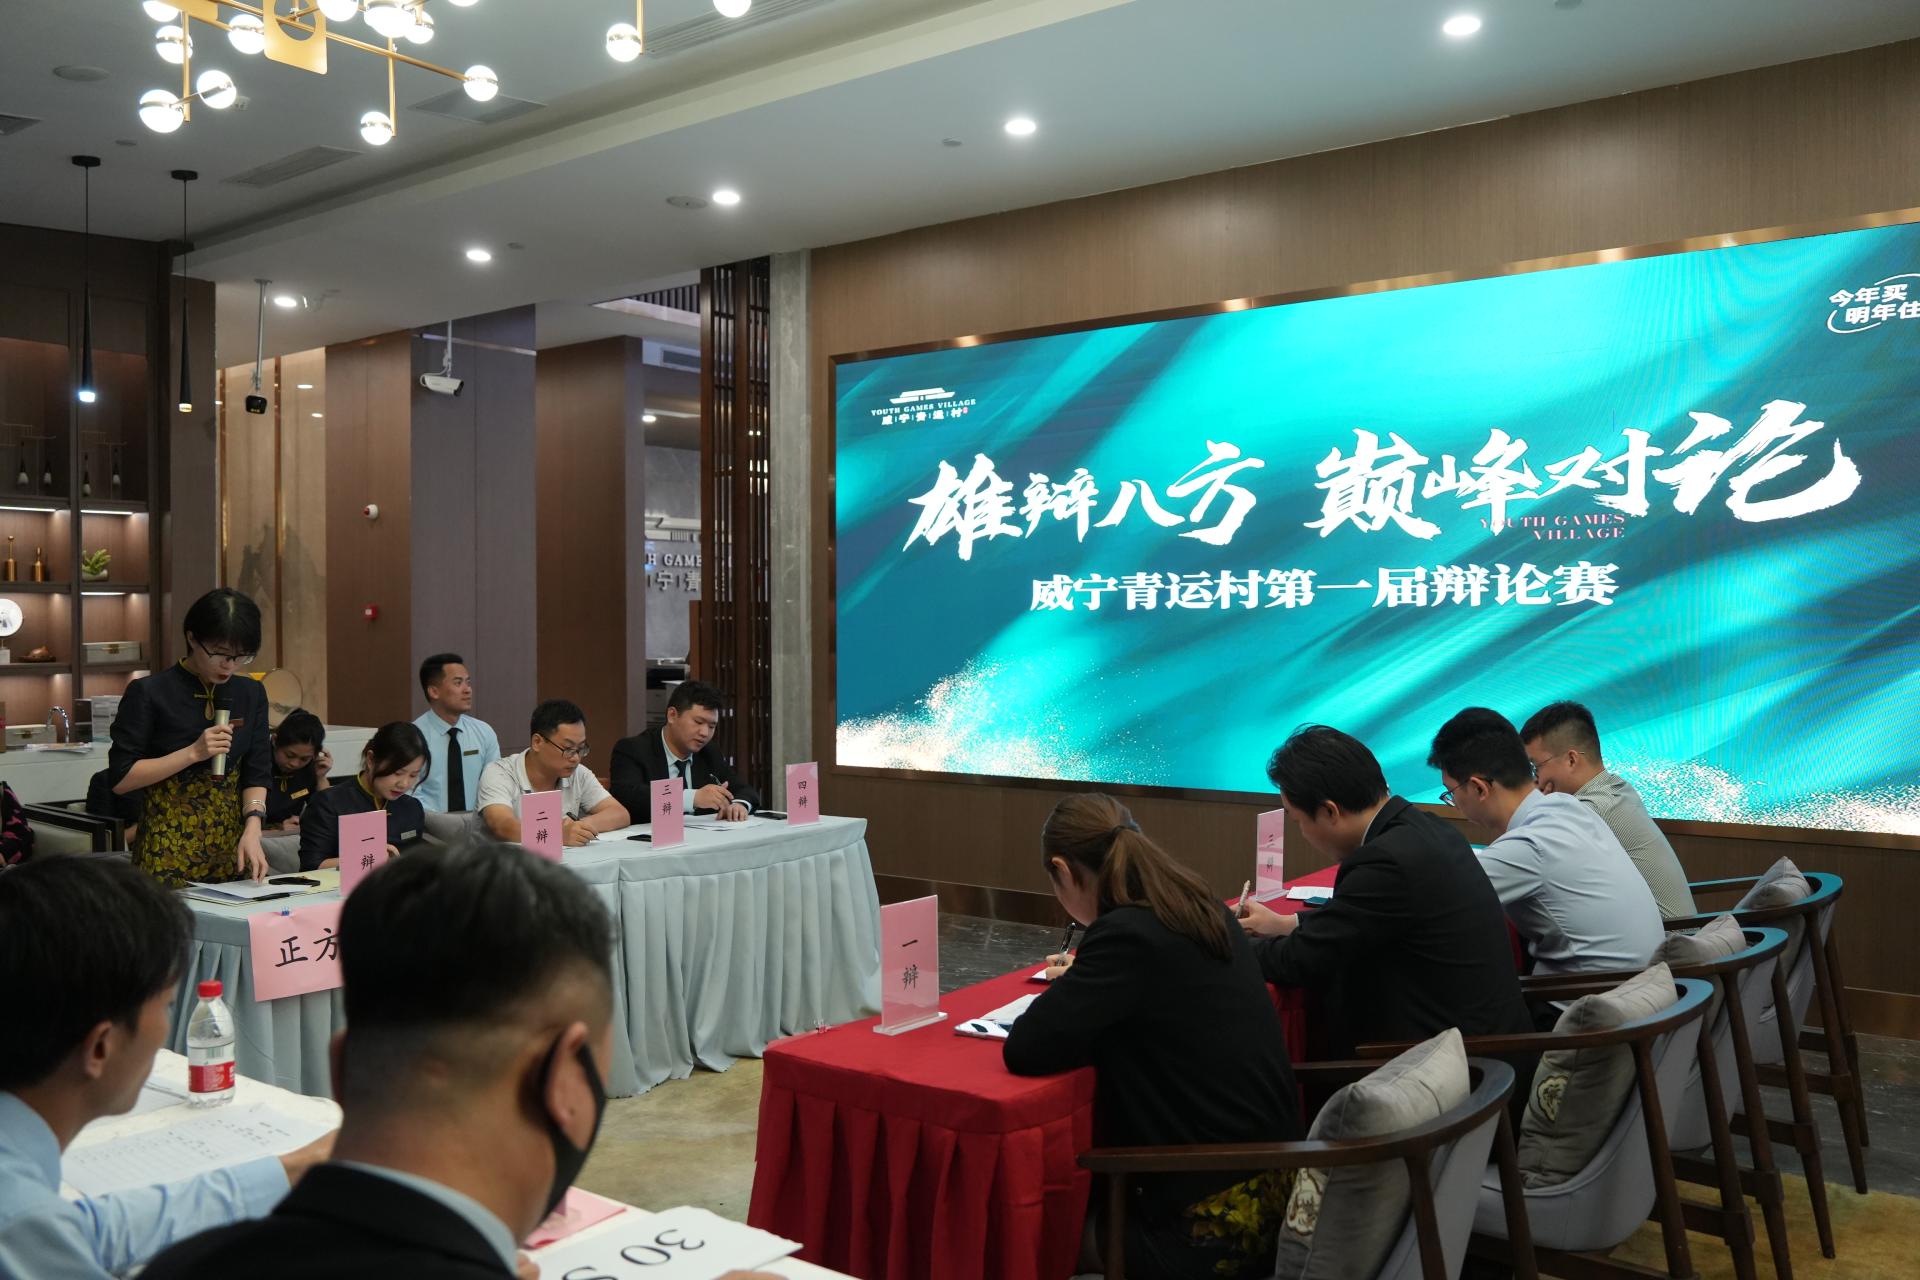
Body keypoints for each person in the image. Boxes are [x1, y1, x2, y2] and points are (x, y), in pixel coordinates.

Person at [1004, 794, 1301, 1280]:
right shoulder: (1199, 904)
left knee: (1030, 1236)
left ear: (1062, 870)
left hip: (1207, 1228)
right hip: (1275, 1193)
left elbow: (1027, 1048)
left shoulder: (1126, 934)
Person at [0, 856, 334, 1280]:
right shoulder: (16, 1219)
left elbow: (92, 1230)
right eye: (167, 1006)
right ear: (101, 1047)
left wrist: (296, 1167)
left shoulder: (25, 1203)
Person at [1236, 726, 1534, 1071]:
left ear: (1330, 811)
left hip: (1454, 1071)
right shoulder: (1425, 828)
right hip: (1488, 1049)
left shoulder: (1385, 861)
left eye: (1299, 821)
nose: (1302, 832)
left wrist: (1225, 938)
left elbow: (1299, 960)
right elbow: (1361, 920)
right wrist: (1287, 923)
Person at [1429, 707, 1663, 1020]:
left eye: (1450, 793)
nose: (1454, 804)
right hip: (1644, 1003)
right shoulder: (1568, 807)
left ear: (1479, 788)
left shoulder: (1529, 845)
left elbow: (1435, 903)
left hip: (1585, 1017)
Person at [107, 588, 272, 885]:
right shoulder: (149, 692)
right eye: (219, 653)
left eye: (240, 656)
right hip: (166, 850)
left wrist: (253, 825)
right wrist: (193, 753)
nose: (229, 665)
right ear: (192, 638)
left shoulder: (251, 692)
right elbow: (121, 779)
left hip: (232, 848)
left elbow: (257, 770)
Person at [1520, 700, 1698, 919]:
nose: (1534, 781)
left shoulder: (1589, 810)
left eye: (1535, 767)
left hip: (1666, 938)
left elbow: (1526, 861)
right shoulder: (1617, 788)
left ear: (1571, 760)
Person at [477, 700, 630, 847]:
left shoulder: (578, 773)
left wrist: (579, 827)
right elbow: (502, 826)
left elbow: (620, 813)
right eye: (568, 748)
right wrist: (557, 833)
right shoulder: (500, 773)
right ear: (537, 742)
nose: (576, 758)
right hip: (508, 862)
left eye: (581, 749)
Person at [609, 681, 761, 823]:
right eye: (698, 722)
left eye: (712, 726)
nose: (704, 733)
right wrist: (692, 798)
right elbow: (628, 796)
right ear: (672, 715)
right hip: (649, 838)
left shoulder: (708, 752)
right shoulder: (633, 749)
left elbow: (743, 789)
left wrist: (738, 804)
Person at [299, 723, 431, 873]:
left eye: (413, 775)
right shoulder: (329, 803)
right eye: (397, 773)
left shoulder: (411, 807)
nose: (404, 784)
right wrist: (370, 858)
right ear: (371, 759)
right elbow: (311, 866)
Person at [411, 654, 501, 815]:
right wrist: (443, 823)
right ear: (434, 691)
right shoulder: (413, 737)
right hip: (428, 824)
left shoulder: (484, 732)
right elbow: (410, 795)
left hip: (478, 824)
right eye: (458, 683)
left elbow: (495, 786)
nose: (468, 690)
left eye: (468, 682)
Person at [265, 708, 331, 832]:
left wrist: (321, 778)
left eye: (304, 759)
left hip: (292, 833)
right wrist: (276, 828)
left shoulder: (310, 768)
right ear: (274, 741)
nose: (295, 764)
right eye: (289, 755)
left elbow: (328, 812)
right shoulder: (257, 762)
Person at [83, 769, 142, 846]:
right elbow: (103, 840)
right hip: (129, 849)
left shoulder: (155, 780)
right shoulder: (104, 780)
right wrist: (143, 827)